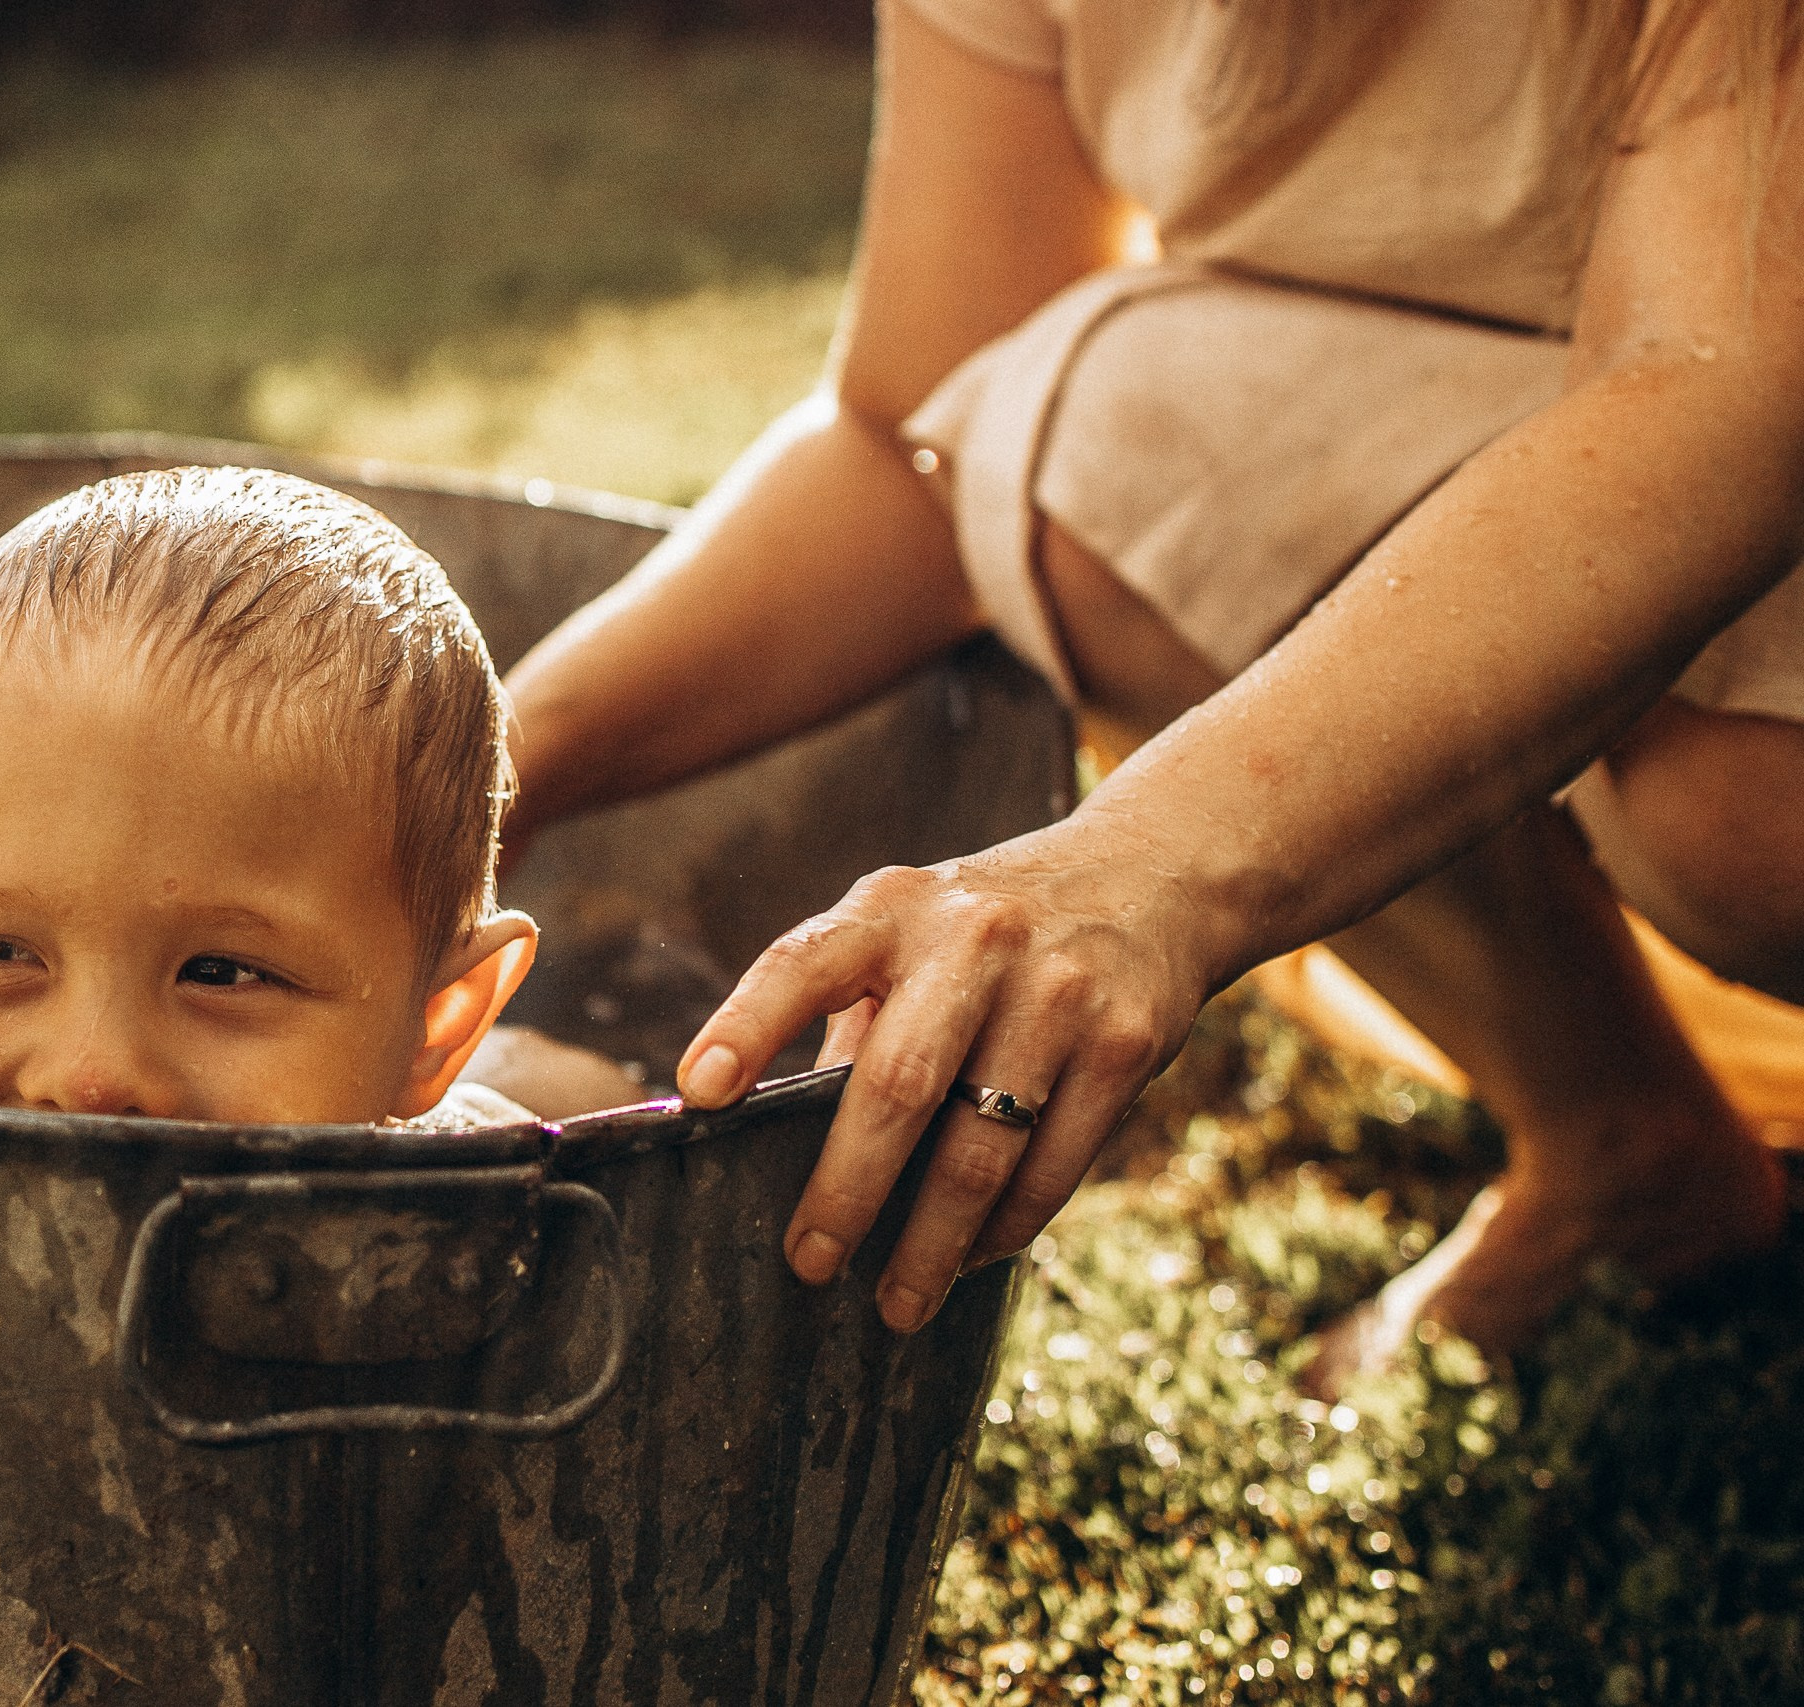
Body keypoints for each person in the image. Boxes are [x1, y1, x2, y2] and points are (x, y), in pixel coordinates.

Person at [499, 0, 1804, 1376]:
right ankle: (1626, 1141)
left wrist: (1146, 866)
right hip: (1557, 413)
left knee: (1742, 813)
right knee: (1108, 427)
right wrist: (502, 759)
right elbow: (918, 436)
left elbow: (1718, 387)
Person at [0, 466, 642, 1126]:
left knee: (585, 1102)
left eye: (223, 972)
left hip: (485, 1094)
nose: (90, 1078)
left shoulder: (483, 1205)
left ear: (436, 1027)